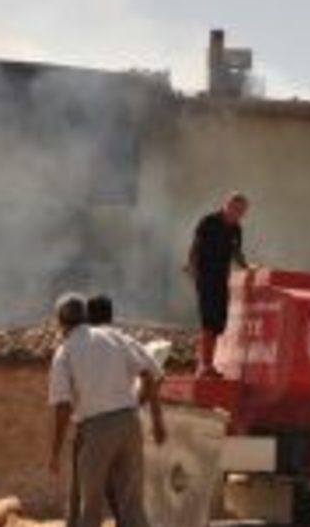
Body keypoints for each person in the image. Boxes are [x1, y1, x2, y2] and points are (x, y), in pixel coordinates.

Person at [48, 294, 166, 527]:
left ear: (61, 323)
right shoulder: (115, 337)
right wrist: (156, 420)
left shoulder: (66, 351)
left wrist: (55, 452)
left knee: (89, 504)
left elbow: (63, 406)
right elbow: (150, 374)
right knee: (131, 502)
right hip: (129, 424)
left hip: (95, 429)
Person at [187, 192, 250, 377]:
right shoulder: (209, 222)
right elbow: (195, 248)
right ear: (226, 205)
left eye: (241, 211)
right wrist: (194, 270)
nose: (237, 214)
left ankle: (205, 362)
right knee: (209, 320)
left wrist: (247, 268)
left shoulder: (236, 229)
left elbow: (236, 252)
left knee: (218, 322)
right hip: (206, 277)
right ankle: (206, 365)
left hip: (222, 278)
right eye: (235, 209)